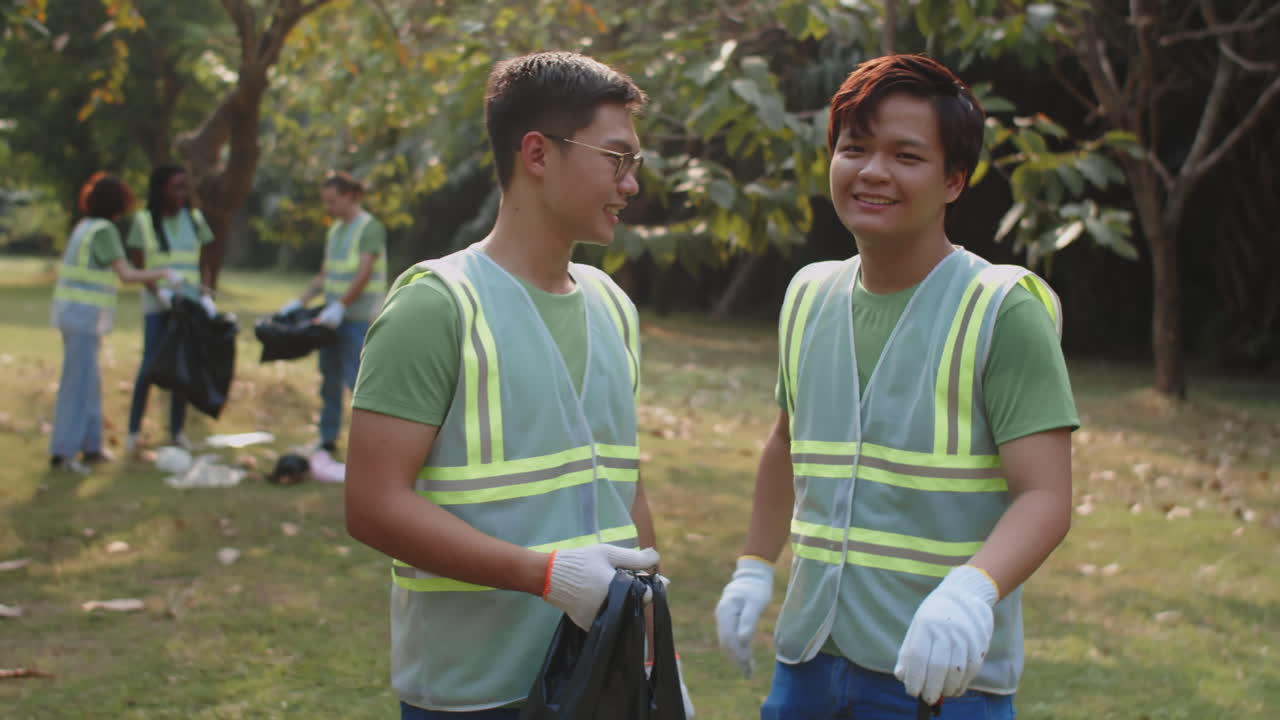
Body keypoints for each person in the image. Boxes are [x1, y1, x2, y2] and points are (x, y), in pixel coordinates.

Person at [714, 54, 1079, 719]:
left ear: (954, 180)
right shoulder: (808, 295)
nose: (873, 172)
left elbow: (1046, 495)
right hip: (807, 668)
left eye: (906, 156)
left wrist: (972, 590)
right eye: (854, 148)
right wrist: (753, 565)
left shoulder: (1001, 308)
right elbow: (784, 446)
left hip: (938, 678)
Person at [344, 51, 686, 718]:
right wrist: (548, 577)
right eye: (616, 159)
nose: (631, 184)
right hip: (474, 693)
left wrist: (653, 649)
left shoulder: (612, 305)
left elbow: (625, 488)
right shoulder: (437, 305)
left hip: (601, 680)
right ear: (537, 153)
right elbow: (373, 504)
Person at [49, 173, 180, 473]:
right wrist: (162, 273)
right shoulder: (105, 230)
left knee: (90, 381)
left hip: (75, 315)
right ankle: (63, 453)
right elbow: (127, 274)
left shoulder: (84, 226)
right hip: (83, 316)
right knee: (77, 385)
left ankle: (92, 447)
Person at [276, 172, 387, 454]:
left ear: (350, 196)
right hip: (331, 319)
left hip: (357, 319)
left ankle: (372, 446)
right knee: (330, 380)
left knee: (357, 383)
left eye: (332, 201)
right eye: (326, 201)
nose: (329, 208)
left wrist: (342, 305)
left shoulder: (369, 228)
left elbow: (364, 273)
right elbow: (326, 275)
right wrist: (299, 303)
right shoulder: (336, 230)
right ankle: (327, 440)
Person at [124, 164, 218, 453]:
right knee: (150, 363)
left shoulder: (195, 219)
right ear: (161, 188)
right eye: (176, 186)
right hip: (158, 304)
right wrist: (158, 292)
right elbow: (140, 265)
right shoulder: (143, 222)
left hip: (188, 303)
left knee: (182, 367)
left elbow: (204, 262)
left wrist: (206, 293)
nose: (182, 193)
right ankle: (133, 431)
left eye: (184, 186)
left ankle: (176, 431)